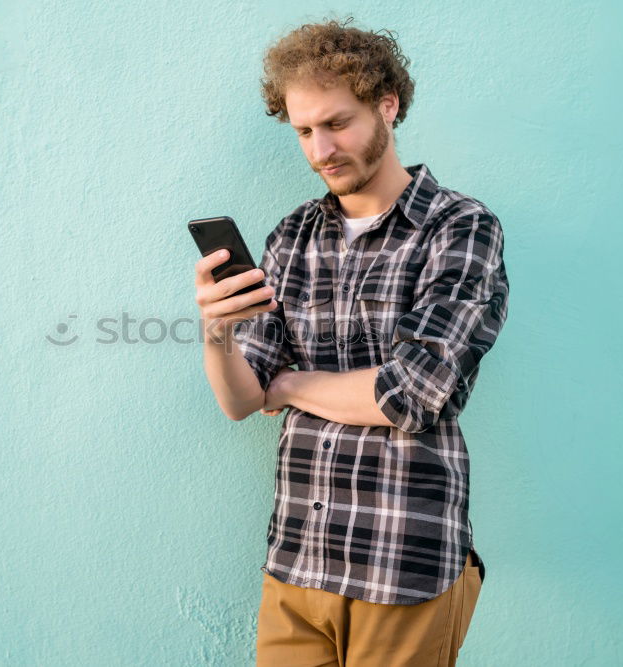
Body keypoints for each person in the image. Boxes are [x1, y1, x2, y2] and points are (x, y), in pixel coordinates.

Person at [192, 16, 510, 667]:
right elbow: (240, 399)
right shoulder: (291, 237)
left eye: (337, 123)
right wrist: (217, 333)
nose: (320, 149)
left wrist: (290, 383)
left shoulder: (461, 227)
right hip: (297, 564)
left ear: (387, 105)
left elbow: (416, 394)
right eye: (304, 130)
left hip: (404, 567)